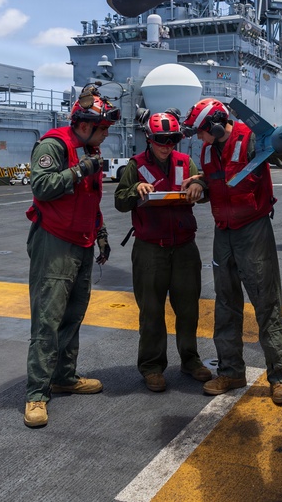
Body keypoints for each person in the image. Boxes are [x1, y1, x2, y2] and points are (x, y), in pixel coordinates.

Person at [180, 98, 282, 406]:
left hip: (253, 231)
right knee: (225, 304)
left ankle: (278, 377)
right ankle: (231, 372)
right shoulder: (206, 149)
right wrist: (199, 184)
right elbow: (217, 184)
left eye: (202, 131)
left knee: (266, 303)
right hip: (223, 232)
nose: (199, 138)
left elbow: (280, 158)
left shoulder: (252, 138)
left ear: (216, 125)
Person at [22, 89, 119, 428]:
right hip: (55, 242)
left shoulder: (88, 149)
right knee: (47, 318)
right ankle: (36, 393)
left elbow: (88, 200)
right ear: (85, 124)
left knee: (73, 314)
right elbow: (42, 186)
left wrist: (101, 232)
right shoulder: (55, 146)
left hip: (82, 241)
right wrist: (80, 170)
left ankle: (64, 375)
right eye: (103, 127)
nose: (106, 134)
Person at [114, 111, 213, 392]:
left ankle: (190, 360)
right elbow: (120, 201)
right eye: (161, 140)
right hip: (150, 250)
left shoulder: (186, 162)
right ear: (149, 138)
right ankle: (151, 366)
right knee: (151, 311)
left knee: (189, 308)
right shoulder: (136, 165)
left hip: (183, 247)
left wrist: (198, 185)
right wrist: (135, 189)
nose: (167, 145)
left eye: (172, 139)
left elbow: (206, 188)